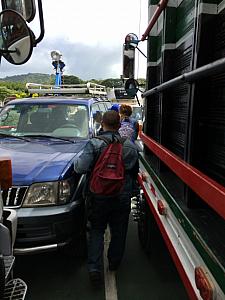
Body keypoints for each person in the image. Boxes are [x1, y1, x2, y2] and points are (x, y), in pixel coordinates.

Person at [74, 110, 139, 286]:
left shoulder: (94, 143)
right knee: (119, 230)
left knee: (96, 230)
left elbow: (80, 168)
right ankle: (114, 263)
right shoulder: (130, 146)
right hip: (122, 195)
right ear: (119, 125)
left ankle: (94, 268)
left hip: (98, 195)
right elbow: (134, 171)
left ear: (101, 124)